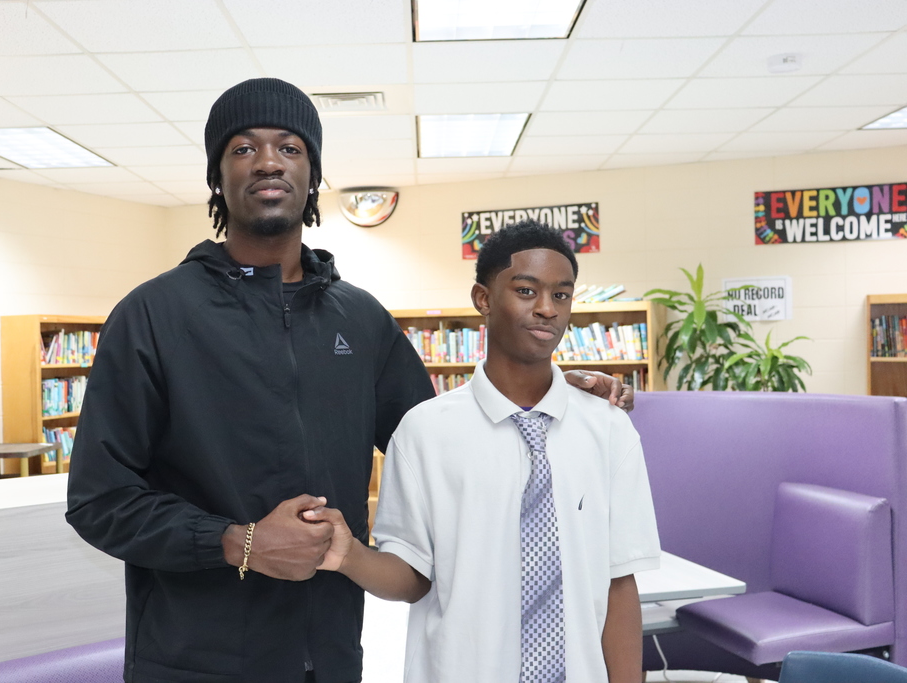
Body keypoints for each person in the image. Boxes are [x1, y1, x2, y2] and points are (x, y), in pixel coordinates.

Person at [65, 77, 636, 683]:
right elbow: (100, 501)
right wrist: (238, 542)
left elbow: (447, 438)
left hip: (330, 657)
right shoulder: (153, 316)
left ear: (312, 174)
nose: (267, 162)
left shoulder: (360, 320)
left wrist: (546, 388)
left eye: (289, 147)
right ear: (217, 176)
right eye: (243, 148)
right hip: (195, 660)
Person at [310, 219, 661, 683]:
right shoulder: (424, 432)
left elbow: (619, 583)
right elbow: (413, 575)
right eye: (525, 290)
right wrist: (350, 555)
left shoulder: (608, 428)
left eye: (561, 295)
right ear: (483, 300)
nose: (546, 309)